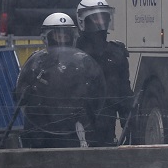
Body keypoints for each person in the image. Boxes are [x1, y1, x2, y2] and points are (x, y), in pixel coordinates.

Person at [14, 13, 106, 148]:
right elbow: (20, 94)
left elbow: (93, 93)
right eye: (58, 36)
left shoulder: (81, 64)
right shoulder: (36, 63)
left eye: (66, 36)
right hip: (41, 128)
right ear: (47, 38)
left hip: (70, 129)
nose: (62, 41)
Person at [75, 0, 134, 145]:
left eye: (104, 18)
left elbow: (124, 92)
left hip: (107, 125)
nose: (101, 24)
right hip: (77, 125)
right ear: (83, 22)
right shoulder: (74, 53)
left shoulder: (116, 53)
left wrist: (131, 127)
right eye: (96, 19)